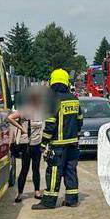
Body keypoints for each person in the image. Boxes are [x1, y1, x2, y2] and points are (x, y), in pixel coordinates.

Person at [33, 69, 82, 210]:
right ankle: (72, 200)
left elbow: (50, 125)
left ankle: (48, 202)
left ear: (52, 82)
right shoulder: (74, 99)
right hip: (73, 144)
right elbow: (80, 121)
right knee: (70, 171)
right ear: (66, 82)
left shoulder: (53, 100)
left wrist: (43, 143)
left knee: (54, 172)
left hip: (58, 146)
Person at [8, 88, 45, 202]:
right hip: (26, 145)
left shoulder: (40, 112)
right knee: (24, 169)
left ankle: (37, 191)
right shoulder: (25, 111)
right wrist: (21, 128)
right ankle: (20, 194)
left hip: (37, 144)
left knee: (36, 169)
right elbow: (10, 118)